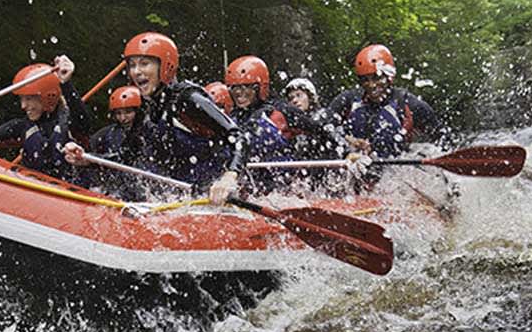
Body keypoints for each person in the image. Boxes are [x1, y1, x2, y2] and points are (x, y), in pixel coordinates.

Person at [64, 32, 246, 204]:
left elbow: (238, 137)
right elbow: (128, 156)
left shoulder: (188, 99)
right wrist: (89, 159)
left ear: (165, 66)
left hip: (217, 196)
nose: (136, 71)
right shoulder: (146, 107)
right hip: (180, 199)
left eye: (144, 64)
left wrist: (229, 177)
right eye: (132, 65)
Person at [328, 44, 449, 158]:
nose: (371, 85)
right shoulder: (348, 100)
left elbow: (442, 137)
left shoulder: (409, 104)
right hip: (354, 167)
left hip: (394, 170)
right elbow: (323, 126)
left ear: (389, 77)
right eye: (365, 80)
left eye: (377, 77)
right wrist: (347, 144)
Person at [281, 77, 344, 161]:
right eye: (291, 98)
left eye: (299, 95)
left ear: (310, 97)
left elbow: (319, 128)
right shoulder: (292, 126)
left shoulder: (324, 115)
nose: (295, 100)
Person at [90, 85, 142, 154]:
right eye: (118, 113)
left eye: (128, 112)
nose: (123, 118)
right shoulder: (105, 134)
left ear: (138, 112)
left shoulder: (150, 131)